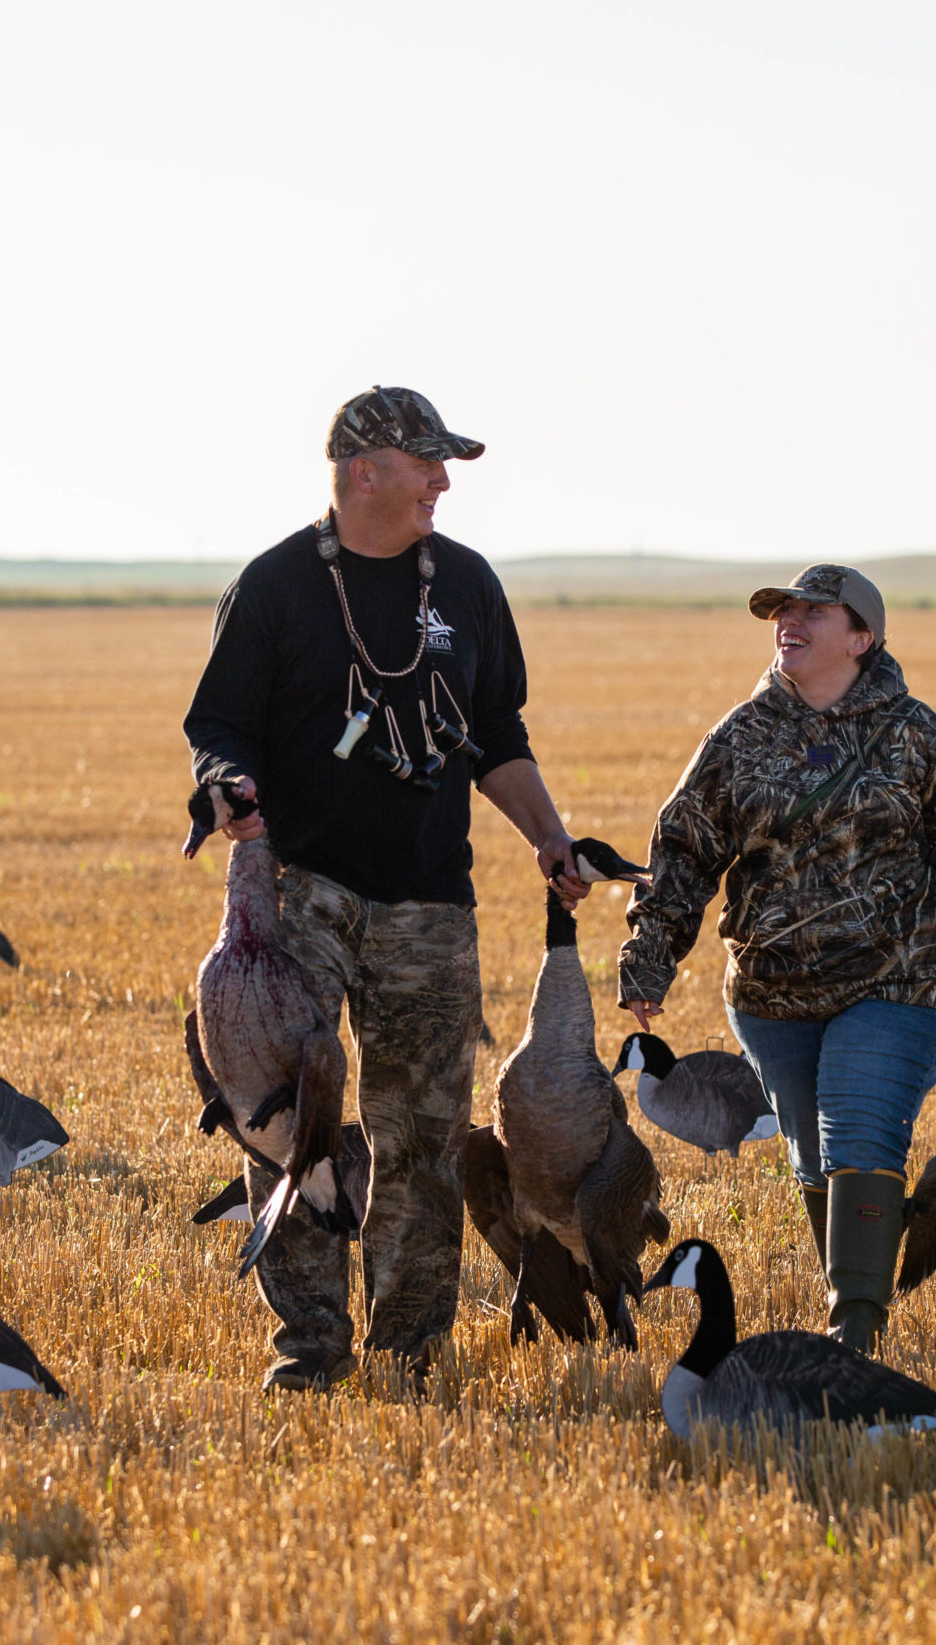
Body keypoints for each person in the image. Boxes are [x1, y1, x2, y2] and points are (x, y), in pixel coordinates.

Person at [184, 385, 589, 1391]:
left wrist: (550, 836)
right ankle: (310, 1347)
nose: (443, 483)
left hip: (428, 906)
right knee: (294, 1126)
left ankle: (407, 1352)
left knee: (423, 1141)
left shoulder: (466, 586)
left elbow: (497, 739)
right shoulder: (277, 586)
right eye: (427, 464)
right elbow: (219, 726)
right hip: (299, 898)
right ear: (367, 470)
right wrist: (224, 784)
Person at [617, 564, 936, 1353]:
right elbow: (683, 855)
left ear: (862, 637)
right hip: (773, 993)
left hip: (904, 974)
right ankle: (851, 1291)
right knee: (814, 1151)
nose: (792, 619)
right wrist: (648, 962)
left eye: (815, 610)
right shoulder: (738, 738)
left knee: (856, 1116)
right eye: (784, 609)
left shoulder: (918, 734)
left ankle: (853, 1334)